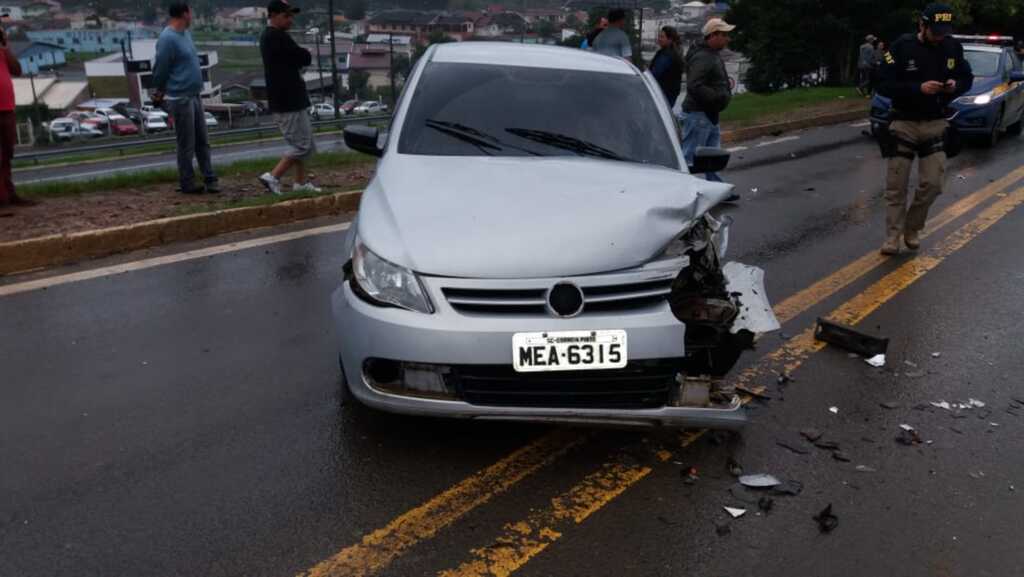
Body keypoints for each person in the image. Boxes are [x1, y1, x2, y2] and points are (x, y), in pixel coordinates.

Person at [876, 2, 972, 255]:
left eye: (944, 31)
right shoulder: (901, 47)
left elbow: (966, 78)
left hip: (935, 123)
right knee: (896, 184)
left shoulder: (952, 47)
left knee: (933, 184)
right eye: (935, 30)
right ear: (922, 24)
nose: (940, 36)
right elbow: (882, 83)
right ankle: (892, 237)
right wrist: (917, 88)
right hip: (904, 122)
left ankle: (912, 227)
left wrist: (955, 85)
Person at [152, 2, 218, 195]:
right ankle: (187, 182)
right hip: (180, 97)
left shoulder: (186, 34)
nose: (193, 16)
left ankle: (210, 178)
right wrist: (160, 90)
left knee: (202, 141)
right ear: (184, 14)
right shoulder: (167, 39)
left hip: (194, 94)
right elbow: (161, 68)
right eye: (191, 13)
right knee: (186, 144)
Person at [257, 0, 321, 195]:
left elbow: (297, 57)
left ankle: (300, 183)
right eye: (286, 16)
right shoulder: (274, 37)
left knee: (307, 144)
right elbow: (302, 57)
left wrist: (302, 54)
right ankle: (272, 177)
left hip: (293, 99)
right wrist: (305, 53)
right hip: (287, 102)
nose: (290, 20)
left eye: (291, 15)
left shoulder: (278, 36)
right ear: (273, 16)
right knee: (301, 146)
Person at [680, 17, 735, 196]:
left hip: (709, 114)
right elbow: (694, 84)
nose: (728, 39)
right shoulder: (704, 57)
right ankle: (682, 191)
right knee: (690, 157)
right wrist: (716, 97)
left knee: (713, 158)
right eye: (725, 35)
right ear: (713, 35)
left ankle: (717, 191)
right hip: (700, 114)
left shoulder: (710, 54)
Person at [0, 21, 33, 208]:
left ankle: (9, 195)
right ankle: (2, 200)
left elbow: (17, 70)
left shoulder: (3, 53)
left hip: (7, 110)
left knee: (6, 155)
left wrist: (5, 47)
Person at [649, 26, 684, 108]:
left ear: (670, 39)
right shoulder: (673, 52)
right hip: (668, 94)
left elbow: (654, 74)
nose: (659, 39)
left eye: (662, 37)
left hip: (663, 94)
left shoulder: (667, 55)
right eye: (659, 36)